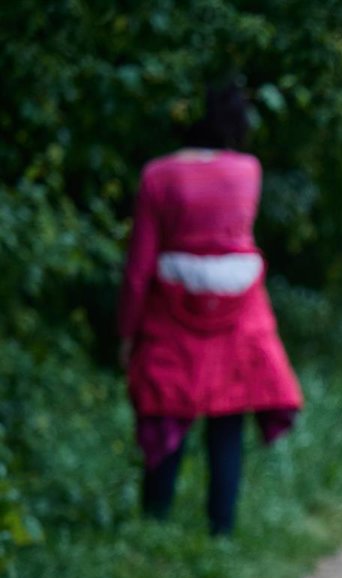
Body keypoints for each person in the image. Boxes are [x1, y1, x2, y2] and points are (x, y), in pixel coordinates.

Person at [118, 80, 303, 536]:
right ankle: (222, 531)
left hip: (170, 310)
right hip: (239, 311)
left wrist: (127, 332)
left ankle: (154, 526)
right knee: (229, 415)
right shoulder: (247, 171)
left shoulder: (158, 176)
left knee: (165, 409)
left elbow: (139, 266)